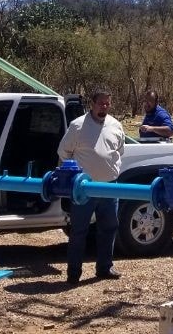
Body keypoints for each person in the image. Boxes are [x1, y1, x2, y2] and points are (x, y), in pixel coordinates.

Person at [56, 89, 125, 285]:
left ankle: (104, 267)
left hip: (111, 187)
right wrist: (69, 180)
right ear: (92, 104)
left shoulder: (116, 126)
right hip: (84, 189)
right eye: (101, 103)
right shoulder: (77, 126)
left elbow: (119, 151)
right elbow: (63, 153)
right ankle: (74, 272)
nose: (104, 107)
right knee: (79, 231)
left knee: (109, 227)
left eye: (107, 103)